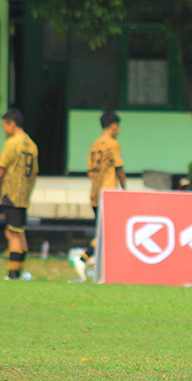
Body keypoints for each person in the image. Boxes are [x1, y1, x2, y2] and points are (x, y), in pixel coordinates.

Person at [71, 110, 126, 282]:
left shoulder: (94, 145)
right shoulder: (113, 144)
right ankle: (83, 258)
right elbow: (119, 168)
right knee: (105, 232)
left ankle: (95, 266)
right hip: (108, 194)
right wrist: (124, 189)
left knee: (104, 231)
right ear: (114, 127)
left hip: (95, 193)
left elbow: (90, 172)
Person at [0, 108, 39, 281]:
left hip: (11, 193)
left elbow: (0, 171)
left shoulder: (12, 143)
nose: (4, 130)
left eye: (4, 126)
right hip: (23, 194)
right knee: (19, 231)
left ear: (12, 124)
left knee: (12, 234)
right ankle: (20, 271)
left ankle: (13, 274)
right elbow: (35, 172)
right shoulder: (31, 144)